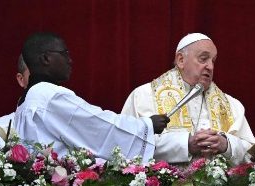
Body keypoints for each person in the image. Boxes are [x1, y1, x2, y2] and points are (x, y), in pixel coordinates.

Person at [14, 32, 169, 163]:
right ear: (46, 58)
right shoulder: (49, 95)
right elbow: (97, 126)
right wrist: (147, 125)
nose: (70, 60)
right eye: (64, 53)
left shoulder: (28, 98)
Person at [121, 33, 255, 165]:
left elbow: (253, 153)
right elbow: (127, 145)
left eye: (213, 61)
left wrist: (227, 145)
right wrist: (185, 144)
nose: (211, 67)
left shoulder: (232, 105)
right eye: (203, 59)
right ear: (181, 60)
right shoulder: (144, 96)